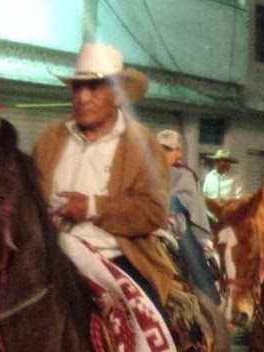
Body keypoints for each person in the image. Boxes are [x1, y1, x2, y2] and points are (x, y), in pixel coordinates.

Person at [31, 42, 178, 315]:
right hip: (51, 259)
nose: (83, 97)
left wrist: (92, 208)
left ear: (118, 94)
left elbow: (154, 211)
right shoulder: (51, 138)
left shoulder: (142, 143)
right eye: (78, 87)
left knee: (156, 325)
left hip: (116, 259)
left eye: (94, 87)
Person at [157, 128, 221, 303]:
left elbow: (194, 209)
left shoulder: (185, 175)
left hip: (176, 224)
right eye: (159, 148)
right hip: (146, 220)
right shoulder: (143, 171)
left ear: (178, 151)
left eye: (168, 149)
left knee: (191, 251)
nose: (162, 153)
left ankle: (211, 299)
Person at [202, 148, 245, 218]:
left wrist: (226, 202)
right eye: (222, 161)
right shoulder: (209, 176)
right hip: (210, 216)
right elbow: (204, 195)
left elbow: (239, 197)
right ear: (216, 162)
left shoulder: (236, 177)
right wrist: (212, 202)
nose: (225, 164)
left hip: (228, 216)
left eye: (227, 161)